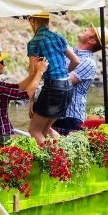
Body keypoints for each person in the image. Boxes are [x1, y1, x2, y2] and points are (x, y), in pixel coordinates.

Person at [26, 12, 79, 143]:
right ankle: (66, 155)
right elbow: (76, 61)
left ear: (33, 20)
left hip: (53, 88)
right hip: (67, 86)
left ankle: (55, 162)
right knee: (45, 129)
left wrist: (31, 101)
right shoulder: (58, 37)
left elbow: (33, 74)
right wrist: (62, 74)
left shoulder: (34, 42)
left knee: (34, 130)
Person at [0, 49, 47, 148]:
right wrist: (40, 73)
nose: (4, 65)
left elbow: (17, 86)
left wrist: (35, 72)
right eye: (1, 62)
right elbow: (26, 94)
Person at [53, 25, 108, 135]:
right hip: (55, 112)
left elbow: (62, 82)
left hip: (69, 117)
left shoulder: (88, 62)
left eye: (90, 30)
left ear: (92, 40)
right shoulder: (70, 52)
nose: (85, 29)